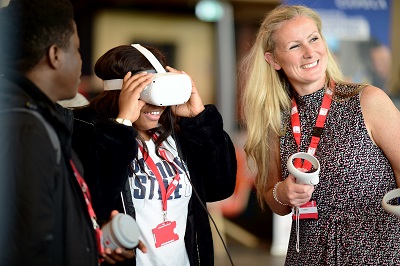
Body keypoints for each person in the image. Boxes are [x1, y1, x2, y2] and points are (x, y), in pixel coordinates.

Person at [239, 4, 400, 265]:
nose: (309, 52)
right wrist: (284, 192)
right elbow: (275, 201)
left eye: (314, 39)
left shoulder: (367, 100)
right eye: (294, 46)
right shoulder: (275, 120)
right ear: (273, 60)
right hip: (307, 256)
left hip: (376, 254)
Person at [71, 44, 237, 265]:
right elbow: (98, 203)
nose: (156, 103)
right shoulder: (91, 134)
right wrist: (123, 125)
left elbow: (220, 187)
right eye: (145, 92)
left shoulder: (177, 134)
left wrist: (199, 120)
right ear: (119, 93)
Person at [0, 0, 136, 264]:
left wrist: (92, 238)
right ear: (55, 55)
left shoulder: (43, 119)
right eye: (76, 49)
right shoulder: (26, 130)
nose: (81, 60)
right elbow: (30, 250)